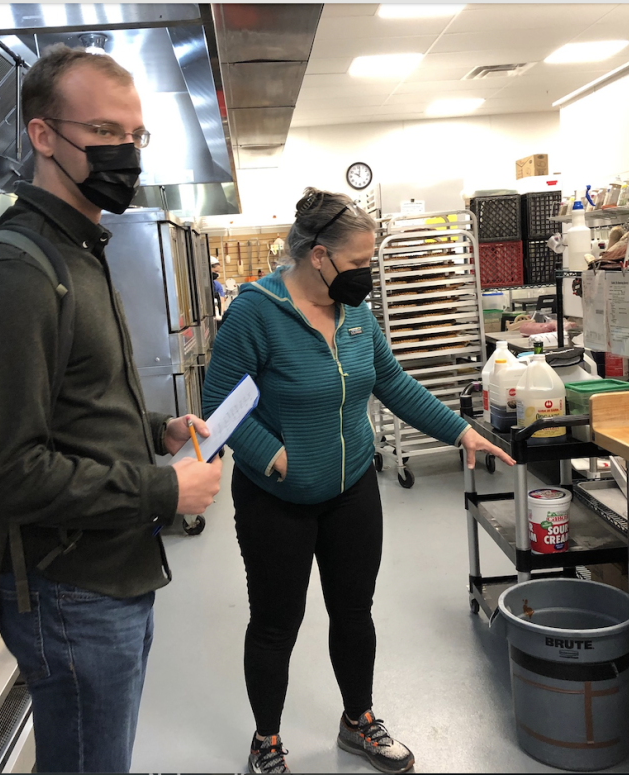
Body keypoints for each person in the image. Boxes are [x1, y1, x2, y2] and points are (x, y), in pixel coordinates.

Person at [0, 44, 223, 773]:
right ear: (42, 135)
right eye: (103, 133)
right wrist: (164, 487)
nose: (125, 153)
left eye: (135, 136)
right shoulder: (14, 271)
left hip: (112, 576)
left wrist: (154, 429)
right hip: (71, 594)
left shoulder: (79, 249)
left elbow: (73, 403)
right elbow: (3, 474)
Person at [202, 188, 515, 774]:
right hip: (277, 501)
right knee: (275, 623)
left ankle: (358, 722)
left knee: (354, 611)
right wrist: (275, 458)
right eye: (358, 264)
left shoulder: (358, 316)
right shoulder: (255, 312)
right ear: (318, 255)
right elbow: (218, 404)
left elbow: (391, 383)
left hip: (351, 493)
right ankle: (265, 741)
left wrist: (460, 431)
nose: (365, 276)